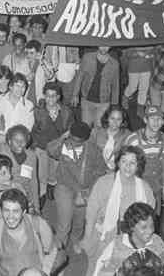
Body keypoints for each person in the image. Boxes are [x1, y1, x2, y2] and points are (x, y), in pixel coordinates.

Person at [82, 146, 156, 275]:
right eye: (124, 162)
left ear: (138, 166)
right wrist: (87, 237)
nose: (128, 167)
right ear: (117, 163)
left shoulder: (145, 188)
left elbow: (149, 219)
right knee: (96, 270)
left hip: (131, 241)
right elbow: (91, 213)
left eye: (132, 163)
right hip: (103, 237)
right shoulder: (104, 182)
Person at [47, 121, 107, 251]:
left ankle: (76, 240)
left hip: (84, 189)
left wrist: (87, 192)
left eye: (79, 141)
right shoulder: (64, 145)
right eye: (72, 139)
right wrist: (63, 137)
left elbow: (101, 171)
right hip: (64, 186)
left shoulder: (92, 150)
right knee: (65, 220)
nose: (74, 143)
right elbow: (50, 150)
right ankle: (59, 246)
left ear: (85, 139)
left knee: (80, 220)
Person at [0, 188, 58, 276]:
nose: (10, 217)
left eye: (15, 211)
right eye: (6, 210)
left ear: (24, 212)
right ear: (1, 211)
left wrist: (44, 272)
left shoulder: (38, 224)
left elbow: (54, 250)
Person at [92, 202, 164, 276]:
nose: (150, 231)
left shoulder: (157, 242)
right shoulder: (117, 247)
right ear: (131, 227)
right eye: (144, 227)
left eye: (152, 225)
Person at [123, 106, 164, 210]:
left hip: (156, 188)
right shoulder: (133, 140)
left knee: (153, 221)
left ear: (163, 122)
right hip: (136, 187)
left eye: (159, 119)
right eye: (152, 119)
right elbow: (124, 167)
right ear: (145, 120)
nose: (156, 122)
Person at [0, 124, 40, 214]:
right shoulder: (3, 153)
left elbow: (34, 181)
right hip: (6, 194)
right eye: (16, 140)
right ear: (9, 141)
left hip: (26, 196)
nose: (20, 144)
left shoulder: (32, 156)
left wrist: (36, 206)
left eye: (23, 140)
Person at [70, 46, 120, 127]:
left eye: (107, 46)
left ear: (110, 46)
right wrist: (75, 94)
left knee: (99, 129)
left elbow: (115, 85)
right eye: (102, 45)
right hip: (87, 100)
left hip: (104, 102)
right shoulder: (87, 57)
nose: (104, 48)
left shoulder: (114, 63)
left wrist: (115, 105)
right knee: (85, 128)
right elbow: (79, 76)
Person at [93, 105, 131, 171]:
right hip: (97, 169)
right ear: (107, 118)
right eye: (112, 118)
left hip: (118, 170)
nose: (115, 122)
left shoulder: (127, 135)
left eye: (119, 119)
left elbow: (130, 157)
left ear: (123, 121)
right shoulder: (96, 132)